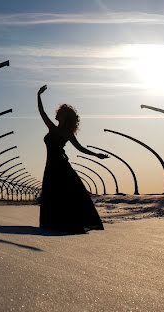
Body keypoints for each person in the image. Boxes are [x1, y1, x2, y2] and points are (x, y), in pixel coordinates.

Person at [37, 84, 107, 233]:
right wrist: (38, 95)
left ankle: (69, 223)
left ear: (64, 116)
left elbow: (80, 148)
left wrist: (96, 155)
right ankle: (56, 223)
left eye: (60, 112)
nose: (56, 114)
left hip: (60, 165)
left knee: (68, 193)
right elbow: (42, 112)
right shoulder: (53, 128)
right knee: (54, 193)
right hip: (52, 164)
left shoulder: (66, 132)